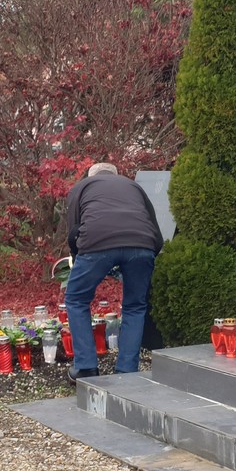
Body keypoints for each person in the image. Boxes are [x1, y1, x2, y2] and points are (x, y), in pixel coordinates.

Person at [61, 162, 164, 382]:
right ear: (116, 175)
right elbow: (155, 229)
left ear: (91, 176)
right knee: (135, 306)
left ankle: (86, 367)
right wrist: (147, 254)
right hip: (142, 245)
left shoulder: (82, 187)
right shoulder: (132, 186)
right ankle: (127, 371)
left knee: (76, 298)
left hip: (97, 243)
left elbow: (73, 231)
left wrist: (78, 257)